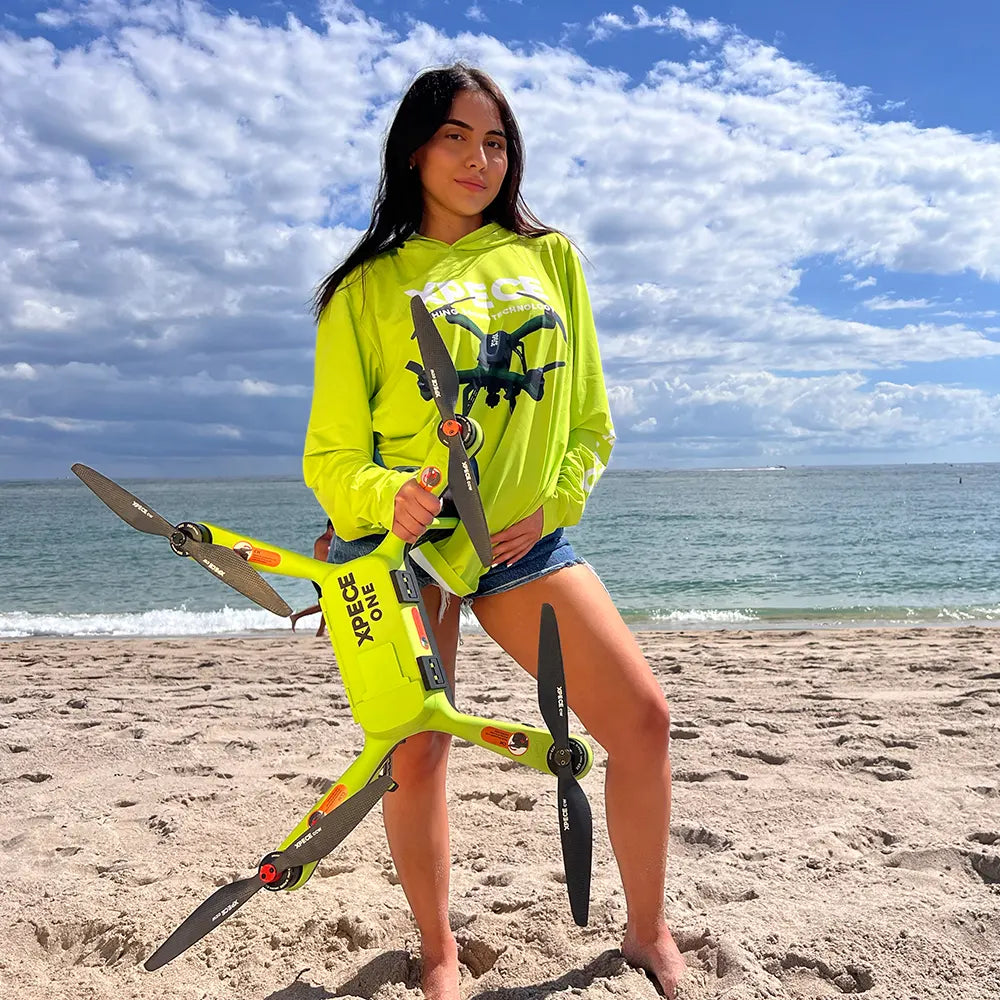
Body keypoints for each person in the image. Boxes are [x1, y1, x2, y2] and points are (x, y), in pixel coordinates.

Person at [303, 64, 684, 1000]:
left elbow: (589, 418)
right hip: (400, 548)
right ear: (413, 149)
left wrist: (553, 505)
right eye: (456, 137)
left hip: (522, 543)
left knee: (641, 722)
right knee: (419, 749)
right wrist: (381, 496)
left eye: (496, 140)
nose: (479, 159)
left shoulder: (550, 258)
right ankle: (437, 950)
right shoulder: (363, 289)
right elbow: (330, 454)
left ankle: (645, 932)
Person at [290, 520, 334, 636]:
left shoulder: (331, 542)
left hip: (323, 577)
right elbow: (328, 563)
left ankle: (320, 630)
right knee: (326, 605)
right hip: (319, 578)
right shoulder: (323, 543)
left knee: (327, 605)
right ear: (330, 529)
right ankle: (297, 617)